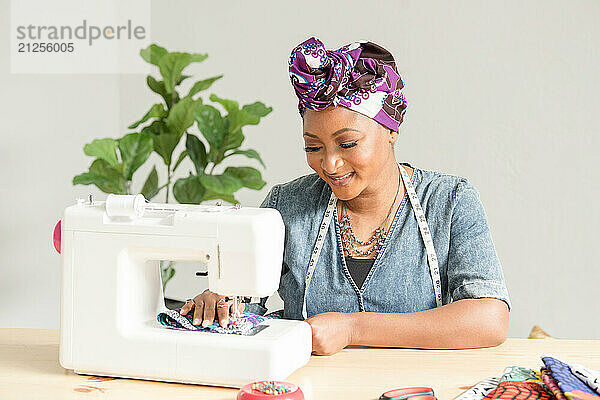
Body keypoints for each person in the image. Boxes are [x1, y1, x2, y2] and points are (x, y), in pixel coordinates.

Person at [180, 37, 511, 356]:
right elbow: (242, 301)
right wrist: (220, 300)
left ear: (392, 129)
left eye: (348, 143)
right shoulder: (286, 207)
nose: (329, 164)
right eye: (313, 147)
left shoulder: (450, 202)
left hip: (417, 389)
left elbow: (489, 319)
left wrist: (353, 328)